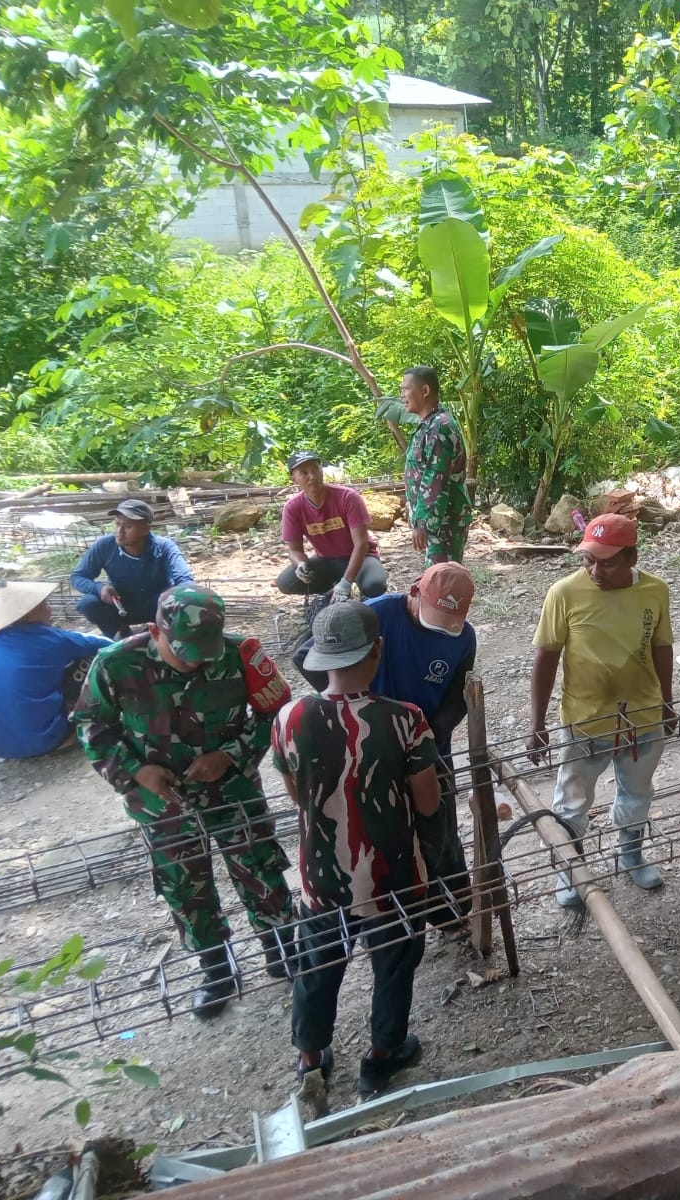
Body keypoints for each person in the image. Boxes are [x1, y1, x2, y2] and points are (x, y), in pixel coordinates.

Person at [73, 586, 295, 1017]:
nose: (195, 662)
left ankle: (281, 949)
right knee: (184, 886)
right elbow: (90, 724)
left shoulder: (241, 655)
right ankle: (216, 970)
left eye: (203, 653)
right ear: (155, 630)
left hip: (231, 790)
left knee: (260, 866)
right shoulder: (115, 663)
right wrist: (136, 771)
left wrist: (230, 754)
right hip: (162, 802)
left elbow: (277, 714)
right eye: (184, 653)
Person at [273, 602, 438, 1098]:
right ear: (377, 650)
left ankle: (311, 1058)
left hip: (321, 876)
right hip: (393, 875)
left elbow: (296, 794)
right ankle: (382, 1056)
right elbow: (427, 803)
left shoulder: (290, 717)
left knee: (318, 965)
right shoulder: (406, 719)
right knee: (394, 963)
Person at [293, 563, 477, 923]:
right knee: (382, 834)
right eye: (436, 616)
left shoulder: (463, 637)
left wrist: (428, 733)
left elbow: (458, 695)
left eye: (451, 621)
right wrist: (355, 707)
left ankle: (449, 913)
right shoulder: (375, 614)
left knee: (439, 831)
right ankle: (392, 917)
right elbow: (306, 656)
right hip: (370, 747)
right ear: (415, 592)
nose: (444, 627)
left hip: (429, 748)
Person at [527, 513, 676, 907]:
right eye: (588, 560)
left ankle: (631, 855)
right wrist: (537, 723)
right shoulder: (564, 593)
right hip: (585, 719)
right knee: (572, 800)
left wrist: (667, 703)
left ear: (632, 557)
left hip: (642, 715)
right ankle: (571, 871)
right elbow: (546, 657)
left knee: (637, 791)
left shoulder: (655, 591)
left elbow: (661, 646)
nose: (595, 571)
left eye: (607, 563)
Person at [0, 582, 109, 759]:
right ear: (28, 615)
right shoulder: (53, 639)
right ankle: (71, 732)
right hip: (40, 741)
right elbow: (105, 644)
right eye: (45, 605)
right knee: (90, 659)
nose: (50, 609)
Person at [274, 450, 388, 601]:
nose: (312, 476)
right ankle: (331, 588)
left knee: (375, 585)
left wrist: (346, 582)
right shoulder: (293, 507)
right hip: (326, 560)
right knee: (286, 582)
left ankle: (351, 586)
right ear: (294, 479)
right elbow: (294, 550)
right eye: (304, 473)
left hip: (362, 557)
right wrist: (300, 564)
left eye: (315, 469)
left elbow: (361, 544)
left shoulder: (347, 497)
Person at [71, 499, 195, 637]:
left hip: (158, 605)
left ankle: (164, 632)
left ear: (145, 529)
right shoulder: (105, 545)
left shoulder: (165, 547)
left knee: (181, 598)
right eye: (117, 524)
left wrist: (174, 597)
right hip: (122, 606)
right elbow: (78, 577)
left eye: (128, 527)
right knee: (87, 603)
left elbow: (185, 580)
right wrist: (99, 588)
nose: (119, 531)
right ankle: (119, 633)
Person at [401, 365, 471, 565]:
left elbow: (435, 481)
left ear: (425, 390)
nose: (402, 395)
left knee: (442, 579)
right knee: (438, 577)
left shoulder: (439, 427)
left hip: (444, 522)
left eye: (406, 389)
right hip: (438, 523)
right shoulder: (430, 424)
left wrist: (423, 523)